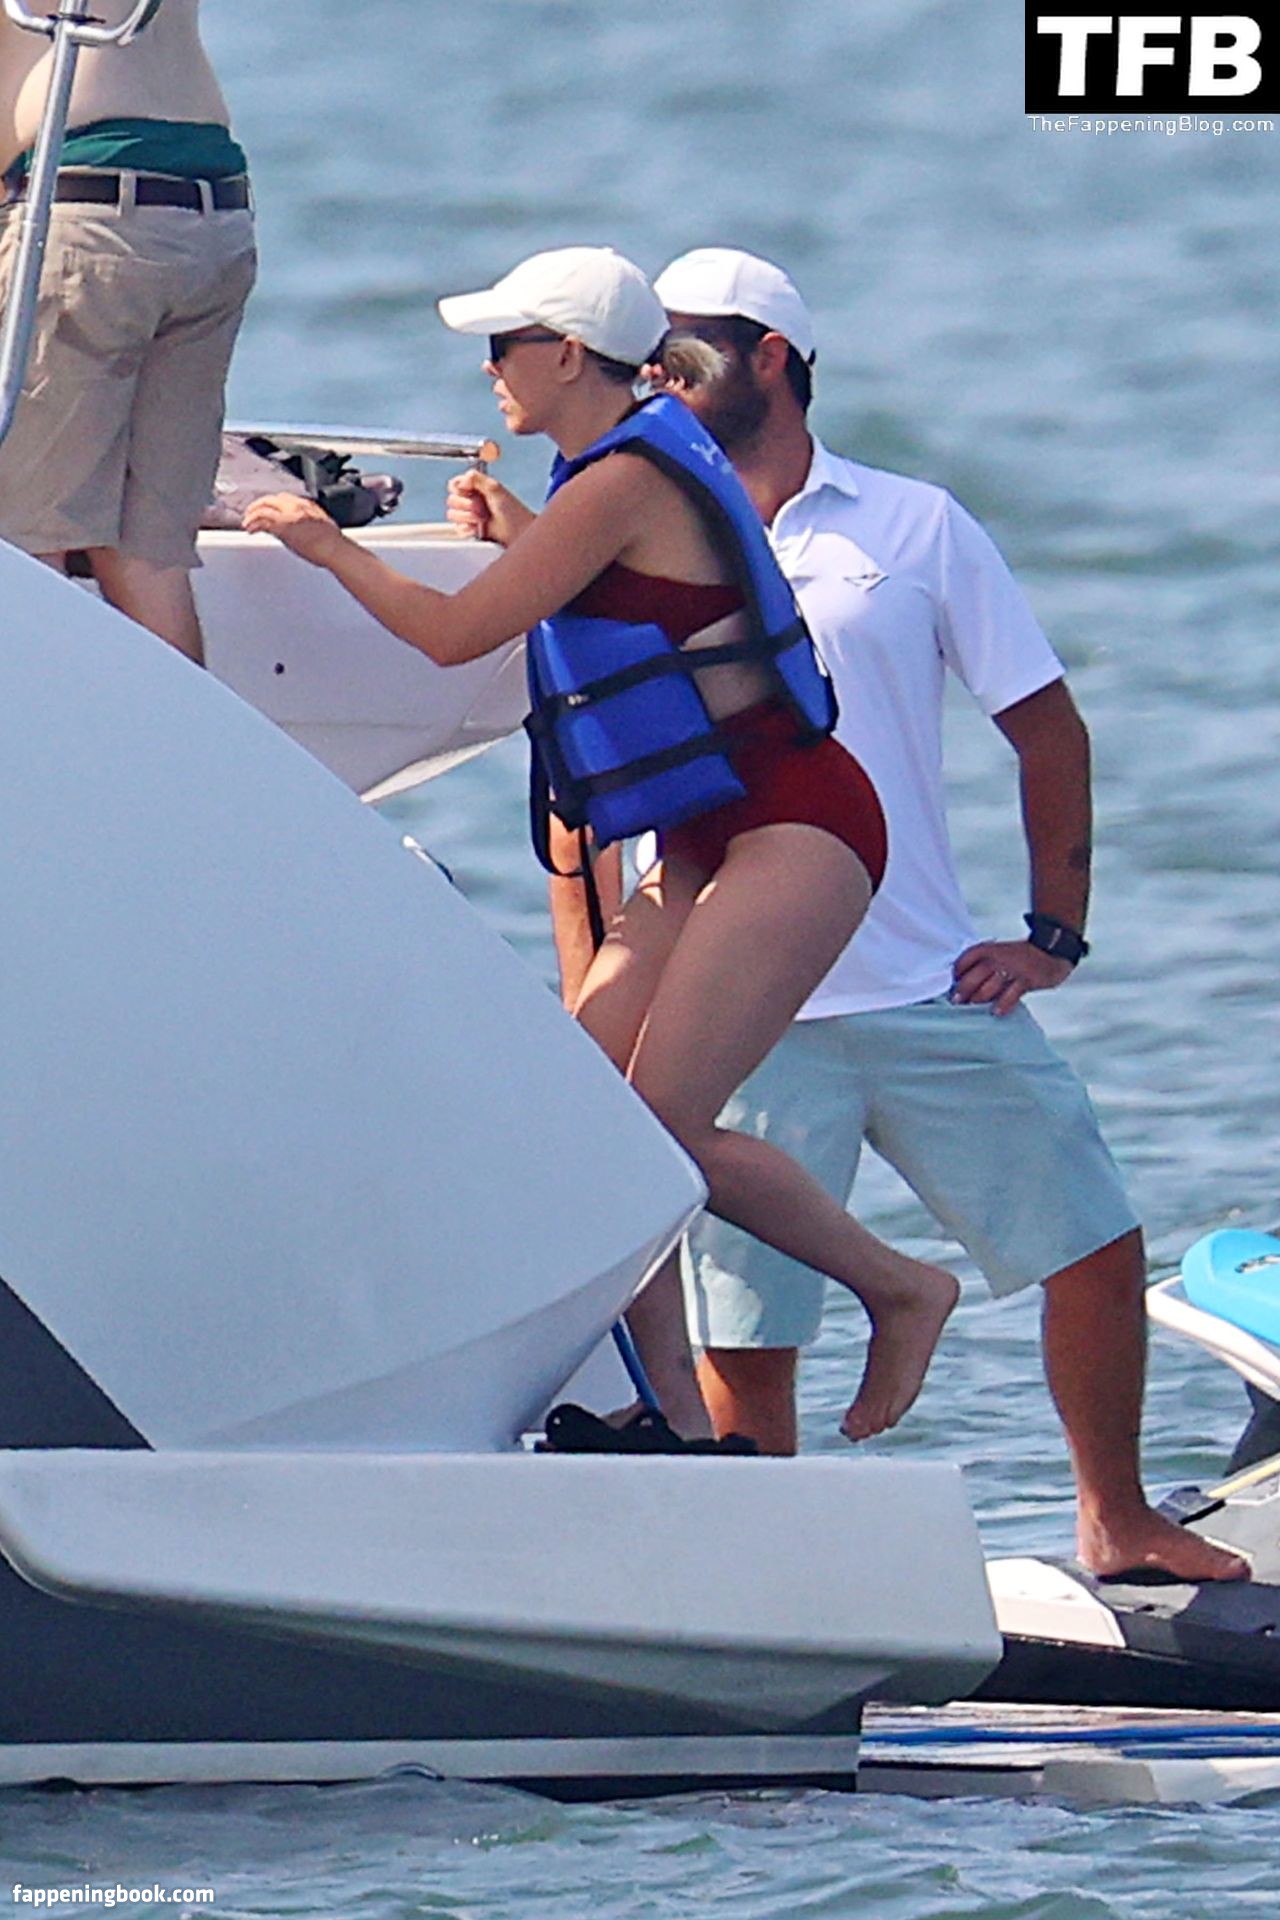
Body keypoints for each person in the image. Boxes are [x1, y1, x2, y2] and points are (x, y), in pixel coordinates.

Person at [568, 244, 1240, 1580]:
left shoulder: (915, 524)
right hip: (739, 1004)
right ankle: (766, 1586)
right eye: (648, 356)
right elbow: (576, 780)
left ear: (771, 358)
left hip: (928, 985)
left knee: (1096, 1250)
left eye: (685, 351)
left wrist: (1052, 935)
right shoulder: (630, 522)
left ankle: (1115, 1521)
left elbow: (1045, 727)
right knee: (747, 1334)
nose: (658, 378)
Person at [244, 244, 960, 1445]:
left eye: (503, 348)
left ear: (569, 356)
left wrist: (324, 545)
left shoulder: (620, 477)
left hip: (797, 822)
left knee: (657, 1129)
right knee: (590, 1130)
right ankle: (667, 1419)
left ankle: (899, 1288)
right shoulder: (614, 469)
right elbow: (637, 589)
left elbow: (456, 634)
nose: (488, 372)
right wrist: (522, 530)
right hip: (708, 836)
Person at [0, 0, 256, 661]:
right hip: (215, 216)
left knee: (26, 542)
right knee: (146, 554)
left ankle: (39, 728)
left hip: (89, 213)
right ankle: (189, 727)